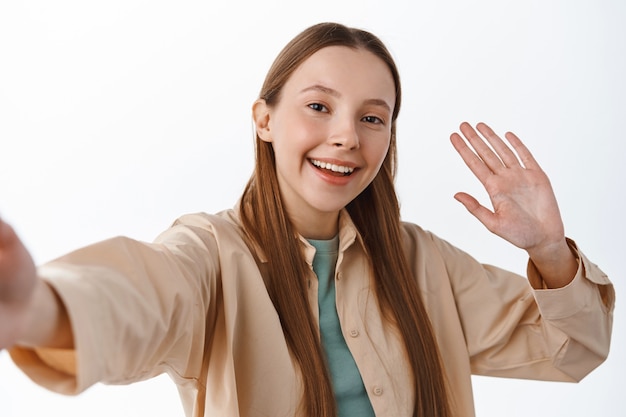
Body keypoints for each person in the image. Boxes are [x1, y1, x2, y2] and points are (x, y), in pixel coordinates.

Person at [0, 22, 614, 417]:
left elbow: (572, 351)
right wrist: (37, 307)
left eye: (373, 117)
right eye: (318, 106)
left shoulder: (422, 263)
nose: (346, 135)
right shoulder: (211, 253)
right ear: (264, 119)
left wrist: (552, 251)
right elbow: (142, 293)